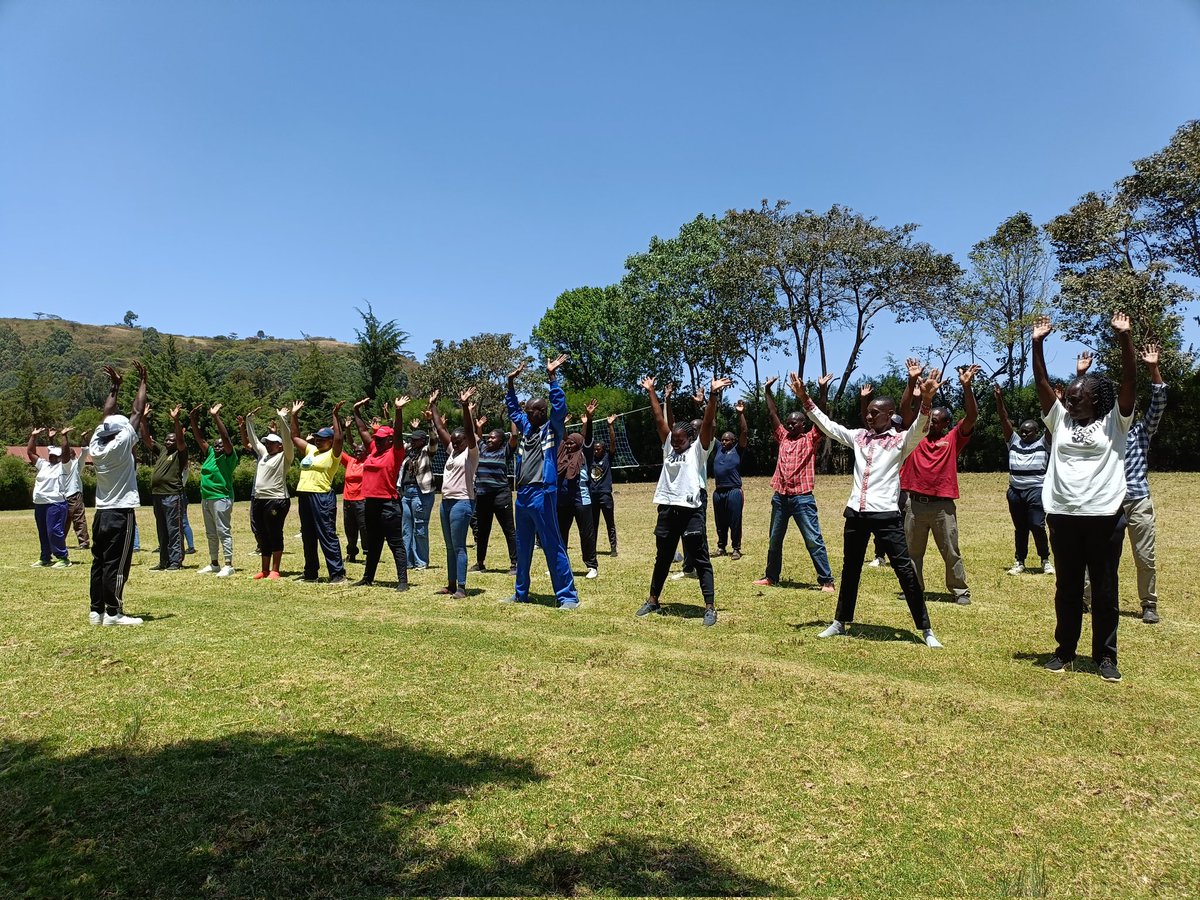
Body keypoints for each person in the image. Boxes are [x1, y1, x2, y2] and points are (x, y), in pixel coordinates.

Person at [796, 369, 945, 648]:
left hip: (886, 515)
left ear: (889, 415)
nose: (868, 416)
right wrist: (806, 399)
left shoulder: (900, 442)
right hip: (856, 513)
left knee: (905, 570)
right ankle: (840, 622)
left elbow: (920, 428)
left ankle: (925, 629)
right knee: (850, 568)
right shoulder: (859, 437)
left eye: (874, 412)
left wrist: (925, 401)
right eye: (868, 412)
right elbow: (829, 426)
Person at [1033, 312, 1137, 682]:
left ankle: (1105, 657)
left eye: (1078, 399)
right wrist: (1037, 342)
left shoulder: (1115, 422)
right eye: (1069, 398)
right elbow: (1043, 382)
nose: (1071, 403)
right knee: (1068, 587)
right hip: (1062, 516)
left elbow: (1128, 379)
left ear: (1096, 400)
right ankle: (1064, 650)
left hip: (1104, 517)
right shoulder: (1059, 420)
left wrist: (1125, 339)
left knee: (1106, 589)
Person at [1080, 343, 1167, 624]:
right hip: (1107, 501)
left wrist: (1153, 369)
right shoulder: (1102, 431)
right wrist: (1081, 374)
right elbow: (1077, 410)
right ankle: (1084, 598)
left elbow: (1159, 403)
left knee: (1144, 556)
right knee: (1095, 554)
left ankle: (1149, 604)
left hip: (1138, 499)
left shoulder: (1142, 431)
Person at [635, 375, 731, 626]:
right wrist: (652, 391)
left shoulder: (700, 450)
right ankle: (653, 600)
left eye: (681, 441)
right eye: (674, 440)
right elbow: (659, 420)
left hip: (691, 510)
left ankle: (709, 607)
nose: (676, 444)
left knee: (700, 559)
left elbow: (708, 423)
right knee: (663, 557)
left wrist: (712, 396)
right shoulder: (669, 446)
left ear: (690, 438)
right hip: (668, 508)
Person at [899, 364, 981, 605]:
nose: (931, 423)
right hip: (915, 504)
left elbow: (972, 416)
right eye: (929, 419)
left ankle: (959, 591)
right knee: (912, 552)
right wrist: (911, 382)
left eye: (936, 421)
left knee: (951, 551)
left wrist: (967, 387)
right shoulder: (915, 438)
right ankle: (914, 589)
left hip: (943, 507)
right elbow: (906, 412)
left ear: (946, 424)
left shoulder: (953, 439)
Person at [501, 354, 579, 608]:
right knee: (523, 548)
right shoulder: (526, 428)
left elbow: (560, 408)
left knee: (551, 544)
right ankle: (520, 593)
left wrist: (552, 377)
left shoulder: (552, 428)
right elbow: (513, 409)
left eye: (535, 409)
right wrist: (510, 383)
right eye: (531, 410)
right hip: (522, 495)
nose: (530, 412)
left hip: (543, 493)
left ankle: (567, 596)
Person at [754, 373, 835, 591]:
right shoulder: (782, 437)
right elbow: (772, 413)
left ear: (803, 423)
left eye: (794, 423)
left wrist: (822, 391)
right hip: (780, 497)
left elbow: (821, 418)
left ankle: (826, 580)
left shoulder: (811, 438)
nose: (789, 426)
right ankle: (771, 577)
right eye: (788, 423)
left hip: (802, 498)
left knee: (813, 539)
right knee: (774, 539)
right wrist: (768, 390)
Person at [87, 363, 148, 626]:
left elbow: (107, 413)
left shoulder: (95, 444)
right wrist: (143, 381)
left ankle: (95, 611)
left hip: (101, 513)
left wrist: (115, 386)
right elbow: (137, 411)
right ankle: (114, 612)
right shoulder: (123, 444)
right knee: (118, 564)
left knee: (99, 562)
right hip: (121, 512)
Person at [865, 360, 921, 567]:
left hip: (903, 488)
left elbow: (911, 413)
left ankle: (900, 556)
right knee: (881, 525)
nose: (896, 426)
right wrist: (866, 400)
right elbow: (867, 420)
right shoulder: (880, 438)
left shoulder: (904, 438)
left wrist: (917, 391)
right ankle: (879, 555)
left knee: (901, 526)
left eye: (898, 424)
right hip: (887, 488)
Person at [350, 395, 410, 590]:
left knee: (395, 543)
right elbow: (361, 430)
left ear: (390, 440)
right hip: (371, 503)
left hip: (389, 504)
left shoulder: (395, 452)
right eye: (377, 438)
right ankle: (368, 578)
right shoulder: (374, 449)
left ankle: (403, 581)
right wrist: (356, 411)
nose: (377, 441)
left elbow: (399, 433)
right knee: (374, 543)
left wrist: (398, 411)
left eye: (382, 439)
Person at [994, 383, 1053, 576]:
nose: (1024, 433)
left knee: (1037, 525)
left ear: (1036, 432)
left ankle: (1045, 559)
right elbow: (1003, 419)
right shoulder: (1013, 442)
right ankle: (1020, 561)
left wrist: (1056, 400)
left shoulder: (1044, 443)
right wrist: (999, 398)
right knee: (1020, 528)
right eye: (1023, 431)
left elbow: (1053, 423)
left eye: (1028, 431)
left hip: (1036, 490)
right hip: (1015, 491)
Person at [429, 388, 480, 597]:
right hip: (446, 502)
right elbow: (440, 428)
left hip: (462, 502)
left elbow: (469, 430)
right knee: (449, 546)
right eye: (454, 441)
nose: (456, 443)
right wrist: (432, 405)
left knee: (459, 546)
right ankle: (450, 584)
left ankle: (461, 587)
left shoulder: (471, 454)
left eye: (459, 441)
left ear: (467, 441)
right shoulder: (452, 452)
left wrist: (465, 406)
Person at [290, 400, 347, 584]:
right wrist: (294, 415)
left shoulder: (333, 454)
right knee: (308, 535)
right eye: (316, 437)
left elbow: (339, 438)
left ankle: (337, 574)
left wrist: (335, 415)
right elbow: (294, 437)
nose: (317, 440)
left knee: (326, 534)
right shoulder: (311, 450)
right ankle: (311, 573)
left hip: (321, 497)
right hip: (305, 495)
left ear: (330, 441)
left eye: (322, 438)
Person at [189, 402, 238, 577]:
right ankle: (214, 563)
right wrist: (192, 419)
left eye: (220, 445)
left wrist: (215, 417)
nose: (217, 447)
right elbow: (199, 439)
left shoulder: (229, 458)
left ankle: (228, 564)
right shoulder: (210, 453)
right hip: (206, 498)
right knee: (211, 533)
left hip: (221, 498)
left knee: (223, 531)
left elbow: (226, 439)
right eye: (215, 445)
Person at [244, 406, 293, 580]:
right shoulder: (264, 455)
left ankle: (275, 569)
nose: (267, 445)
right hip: (259, 499)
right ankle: (264, 570)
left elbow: (288, 439)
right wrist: (249, 421)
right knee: (261, 534)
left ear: (279, 445)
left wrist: (282, 419)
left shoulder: (285, 456)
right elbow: (254, 440)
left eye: (271, 443)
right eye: (267, 443)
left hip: (277, 499)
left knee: (274, 532)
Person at [141, 404, 188, 571]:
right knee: (162, 530)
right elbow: (146, 439)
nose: (168, 442)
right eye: (167, 439)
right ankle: (164, 561)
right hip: (157, 496)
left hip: (172, 496)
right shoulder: (162, 451)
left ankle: (176, 561)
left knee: (174, 529)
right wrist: (143, 420)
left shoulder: (180, 452)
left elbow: (181, 440)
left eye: (172, 440)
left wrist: (176, 420)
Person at [472, 417, 518, 574]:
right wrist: (477, 424)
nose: (489, 439)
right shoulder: (483, 449)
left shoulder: (504, 451)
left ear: (500, 440)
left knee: (508, 529)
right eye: (489, 437)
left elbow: (515, 436)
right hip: (483, 496)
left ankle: (515, 564)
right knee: (482, 530)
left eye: (493, 437)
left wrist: (513, 417)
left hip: (500, 495)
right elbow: (476, 437)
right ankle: (480, 563)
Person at [28, 426, 74, 568]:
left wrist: (64, 436)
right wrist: (33, 436)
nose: (52, 457)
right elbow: (30, 452)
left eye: (55, 455)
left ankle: (63, 558)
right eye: (51, 455)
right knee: (43, 531)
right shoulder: (44, 465)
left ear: (60, 457)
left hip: (56, 503)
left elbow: (66, 452)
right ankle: (45, 557)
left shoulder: (64, 466)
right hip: (40, 504)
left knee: (53, 531)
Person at [712, 400, 748, 559]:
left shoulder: (738, 450)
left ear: (733, 441)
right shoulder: (718, 448)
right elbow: (710, 428)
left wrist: (740, 413)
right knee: (720, 521)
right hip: (719, 491)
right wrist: (710, 408)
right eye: (723, 439)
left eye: (727, 439)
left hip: (733, 491)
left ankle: (736, 548)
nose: (724, 441)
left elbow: (744, 431)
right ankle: (721, 547)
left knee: (735, 520)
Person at [399, 419, 436, 571]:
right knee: (406, 529)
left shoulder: (428, 451)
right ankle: (407, 561)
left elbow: (434, 439)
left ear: (422, 440)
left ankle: (421, 562)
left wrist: (429, 422)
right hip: (406, 493)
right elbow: (397, 440)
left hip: (421, 492)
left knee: (419, 528)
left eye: (415, 440)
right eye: (411, 440)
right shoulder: (408, 451)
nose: (412, 442)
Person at [588, 413, 620, 556]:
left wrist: (610, 426)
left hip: (605, 495)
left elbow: (613, 443)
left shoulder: (608, 457)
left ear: (603, 449)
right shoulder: (590, 459)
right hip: (592, 495)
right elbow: (586, 441)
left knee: (609, 523)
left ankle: (613, 548)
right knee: (593, 524)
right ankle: (592, 548)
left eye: (598, 448)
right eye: (595, 448)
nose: (596, 450)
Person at [340, 434, 368, 564]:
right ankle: (351, 553)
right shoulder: (350, 461)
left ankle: (368, 553)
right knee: (349, 529)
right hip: (347, 500)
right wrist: (338, 432)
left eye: (360, 451)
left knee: (364, 528)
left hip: (362, 500)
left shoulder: (368, 462)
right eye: (356, 452)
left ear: (365, 452)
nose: (357, 454)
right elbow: (337, 450)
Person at [62, 431, 89, 550]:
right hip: (63, 496)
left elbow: (85, 452)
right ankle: (60, 541)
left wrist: (83, 438)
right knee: (64, 520)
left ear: (73, 456)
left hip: (74, 494)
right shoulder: (61, 465)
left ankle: (84, 542)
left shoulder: (77, 465)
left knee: (78, 519)